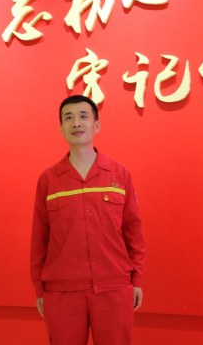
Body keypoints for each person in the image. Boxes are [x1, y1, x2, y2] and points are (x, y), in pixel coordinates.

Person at [30, 95, 147, 345]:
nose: (76, 123)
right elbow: (39, 239)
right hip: (62, 290)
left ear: (96, 125)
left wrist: (136, 279)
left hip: (114, 287)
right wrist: (40, 289)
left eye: (83, 116)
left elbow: (133, 232)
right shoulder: (49, 180)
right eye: (68, 118)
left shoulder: (119, 174)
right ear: (61, 128)